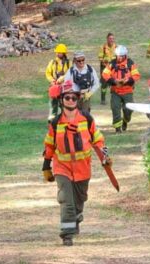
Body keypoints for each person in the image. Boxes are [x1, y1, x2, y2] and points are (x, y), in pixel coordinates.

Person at [42, 80, 111, 246]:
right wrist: (46, 165)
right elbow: (49, 144)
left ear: (78, 99)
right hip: (62, 168)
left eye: (74, 97)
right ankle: (67, 234)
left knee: (80, 200)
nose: (71, 100)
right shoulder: (56, 122)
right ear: (61, 100)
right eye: (67, 97)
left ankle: (76, 219)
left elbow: (99, 140)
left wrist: (105, 156)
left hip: (83, 168)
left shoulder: (87, 119)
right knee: (66, 200)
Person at [102, 45, 140, 133]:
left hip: (127, 91)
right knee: (115, 108)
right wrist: (114, 81)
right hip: (116, 91)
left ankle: (125, 121)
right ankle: (117, 128)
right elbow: (105, 74)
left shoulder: (130, 64)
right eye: (118, 56)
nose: (119, 58)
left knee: (129, 109)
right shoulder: (112, 63)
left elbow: (136, 75)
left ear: (125, 55)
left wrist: (127, 80)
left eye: (121, 56)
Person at [45, 43, 72, 121]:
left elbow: (70, 73)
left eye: (60, 52)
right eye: (57, 52)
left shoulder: (68, 63)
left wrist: (62, 78)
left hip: (65, 86)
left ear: (64, 53)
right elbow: (48, 73)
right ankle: (52, 118)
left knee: (65, 103)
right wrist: (52, 80)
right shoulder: (52, 62)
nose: (58, 53)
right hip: (54, 86)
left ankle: (66, 119)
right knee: (53, 103)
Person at [98, 32, 117, 105]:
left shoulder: (116, 47)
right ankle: (103, 99)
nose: (111, 40)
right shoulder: (103, 47)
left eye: (112, 38)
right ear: (107, 39)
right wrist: (105, 61)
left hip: (114, 68)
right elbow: (100, 57)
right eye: (110, 38)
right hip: (105, 68)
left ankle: (115, 99)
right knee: (104, 84)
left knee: (114, 83)